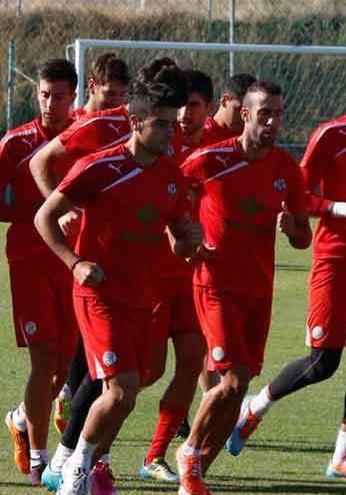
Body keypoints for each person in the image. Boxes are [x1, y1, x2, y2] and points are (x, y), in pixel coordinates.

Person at [225, 52, 346, 480]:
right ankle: (255, 407)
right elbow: (298, 197)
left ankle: (343, 452)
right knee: (323, 362)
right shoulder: (331, 135)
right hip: (337, 261)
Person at [34, 69, 202, 495]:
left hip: (141, 298)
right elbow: (44, 217)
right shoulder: (100, 167)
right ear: (135, 123)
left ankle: (84, 462)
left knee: (129, 392)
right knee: (119, 388)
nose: (171, 131)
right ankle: (75, 469)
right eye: (162, 123)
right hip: (98, 293)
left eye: (173, 122)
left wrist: (191, 238)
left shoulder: (170, 176)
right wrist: (74, 263)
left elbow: (180, 238)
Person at [174, 80, 312, 495]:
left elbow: (304, 236)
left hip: (259, 289)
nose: (272, 121)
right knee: (232, 380)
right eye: (264, 113)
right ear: (245, 114)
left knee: (240, 387)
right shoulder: (211, 159)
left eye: (278, 113)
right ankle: (189, 453)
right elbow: (171, 195)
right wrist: (183, 240)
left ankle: (197, 474)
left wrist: (294, 229)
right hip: (214, 284)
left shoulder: (287, 170)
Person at [0, 58, 79, 485]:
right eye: (43, 94)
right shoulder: (17, 142)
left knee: (64, 365)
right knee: (42, 361)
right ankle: (39, 459)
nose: (49, 103)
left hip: (72, 263)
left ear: (74, 97)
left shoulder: (83, 139)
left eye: (58, 96)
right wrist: (37, 215)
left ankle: (20, 418)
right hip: (28, 263)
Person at [140, 68, 240, 483]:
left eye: (193, 106)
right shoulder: (162, 144)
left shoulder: (223, 148)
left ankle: (155, 456)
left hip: (195, 278)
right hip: (151, 274)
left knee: (188, 366)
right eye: (179, 108)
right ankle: (85, 431)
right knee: (143, 373)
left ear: (208, 108)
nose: (183, 115)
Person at [68, 52, 131, 121]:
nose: (117, 102)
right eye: (110, 94)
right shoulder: (70, 124)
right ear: (92, 86)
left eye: (122, 94)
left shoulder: (128, 123)